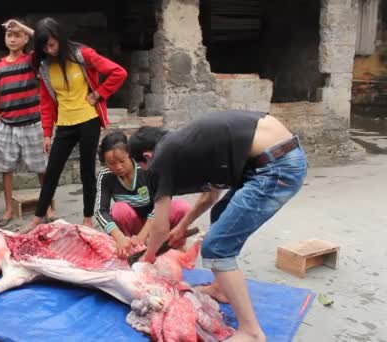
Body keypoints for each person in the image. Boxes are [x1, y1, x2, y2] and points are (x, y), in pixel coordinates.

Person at [128, 110, 308, 342]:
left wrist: (148, 259)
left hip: (277, 165)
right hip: (277, 156)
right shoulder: (188, 145)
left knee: (217, 247)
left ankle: (251, 332)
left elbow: (160, 227)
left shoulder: (161, 157)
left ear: (147, 155)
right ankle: (221, 288)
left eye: (142, 167)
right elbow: (209, 198)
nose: (146, 172)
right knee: (220, 212)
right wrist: (183, 226)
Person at [26, 17, 127, 229]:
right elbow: (45, 102)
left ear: (60, 39)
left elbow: (118, 73)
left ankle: (88, 218)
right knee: (51, 170)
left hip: (88, 120)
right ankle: (37, 217)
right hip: (64, 123)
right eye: (44, 46)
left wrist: (99, 94)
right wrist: (46, 133)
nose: (49, 50)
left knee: (87, 170)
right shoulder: (43, 65)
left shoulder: (82, 54)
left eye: (52, 44)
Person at [0, 19, 53, 227]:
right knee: (6, 170)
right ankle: (8, 209)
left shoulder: (32, 61)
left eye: (18, 35)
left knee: (42, 168)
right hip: (6, 125)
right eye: (9, 35)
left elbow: (45, 41)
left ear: (25, 38)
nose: (13, 38)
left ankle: (49, 208)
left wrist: (25, 27)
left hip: (33, 123)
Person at [94, 132, 190, 257]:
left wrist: (143, 236)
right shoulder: (106, 175)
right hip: (132, 227)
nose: (118, 167)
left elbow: (160, 203)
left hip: (157, 223)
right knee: (119, 209)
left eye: (122, 161)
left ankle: (175, 244)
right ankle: (130, 249)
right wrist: (119, 237)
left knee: (182, 207)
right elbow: (101, 211)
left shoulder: (145, 168)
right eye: (111, 163)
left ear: (129, 154)